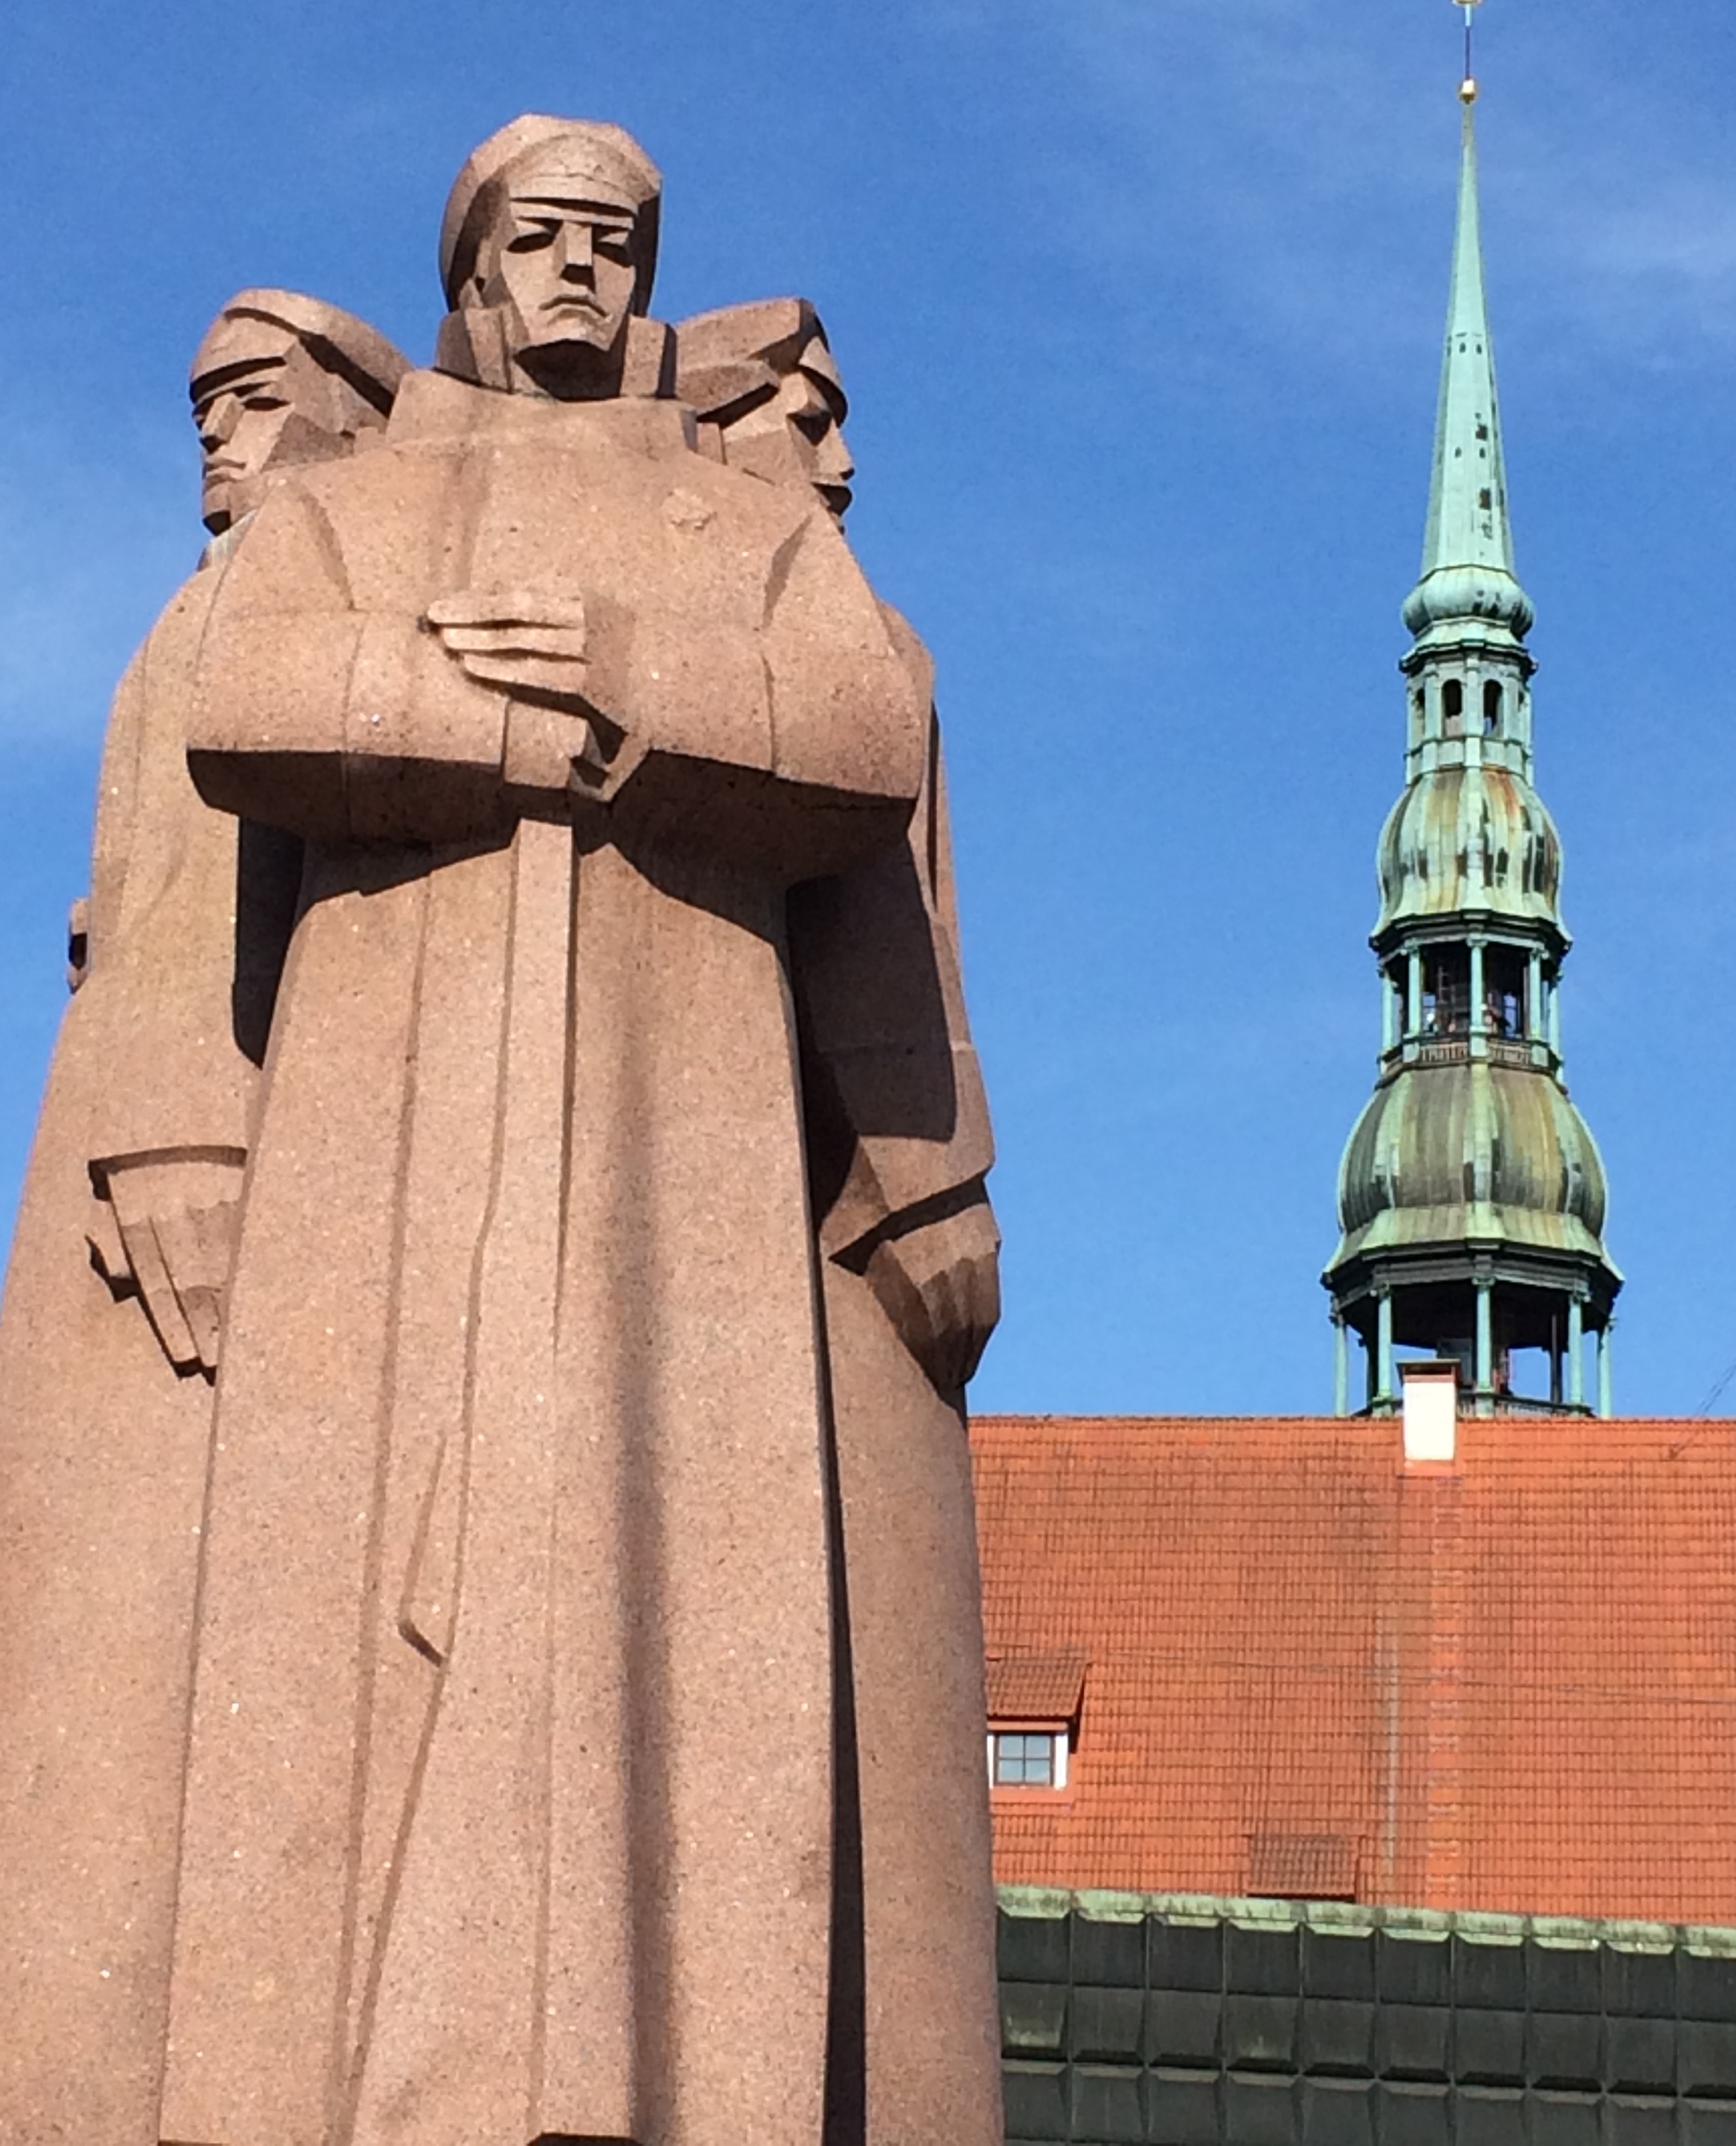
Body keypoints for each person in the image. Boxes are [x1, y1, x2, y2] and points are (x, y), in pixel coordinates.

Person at [158, 119, 997, 2146]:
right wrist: (515, 732)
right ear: (474, 260)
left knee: (653, 1583)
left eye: (614, 245)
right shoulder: (360, 504)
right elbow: (241, 699)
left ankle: (661, 2061)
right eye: (539, 240)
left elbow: (867, 736)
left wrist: (638, 681)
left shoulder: (745, 526)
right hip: (392, 1115)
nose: (577, 276)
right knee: (370, 1604)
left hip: (673, 1140)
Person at [0, 291, 407, 2146]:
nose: (214, 437)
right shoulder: (218, 607)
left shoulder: (290, 613)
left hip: (202, 1153)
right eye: (203, 407)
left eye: (251, 401)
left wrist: (173, 1139)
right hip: (154, 1160)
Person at [679, 299, 1005, 2140]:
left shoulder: (861, 647)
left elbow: (908, 955)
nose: (846, 455)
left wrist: (929, 1169)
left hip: (842, 1219)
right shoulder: (765, 646)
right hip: (787, 1213)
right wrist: (926, 1177)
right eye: (807, 417)